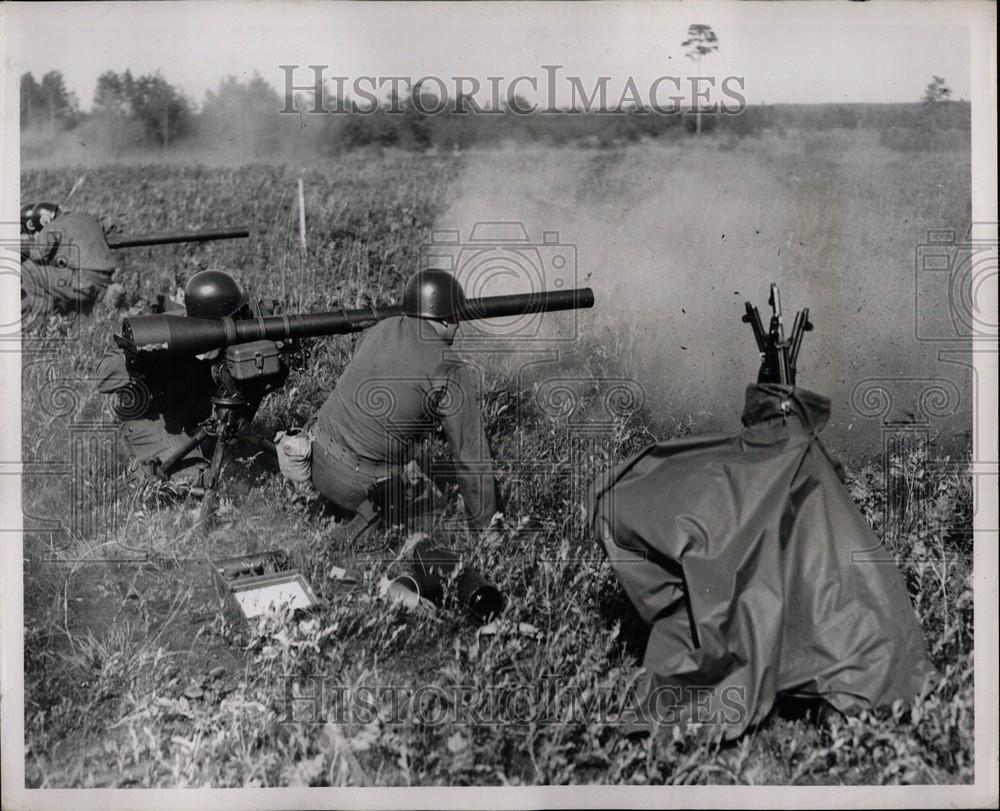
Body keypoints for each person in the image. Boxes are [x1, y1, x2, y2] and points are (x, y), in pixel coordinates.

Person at [307, 269, 498, 533]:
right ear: (444, 319)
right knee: (445, 525)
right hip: (359, 486)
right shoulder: (449, 368)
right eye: (457, 317)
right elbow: (472, 459)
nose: (459, 325)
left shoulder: (380, 328)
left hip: (317, 462)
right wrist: (487, 532)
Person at [95, 269, 250, 482]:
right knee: (196, 480)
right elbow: (103, 376)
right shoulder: (169, 333)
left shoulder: (222, 335)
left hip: (189, 417)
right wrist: (139, 358)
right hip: (151, 422)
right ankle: (135, 468)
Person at [20, 205, 121, 322]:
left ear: (45, 221)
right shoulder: (88, 217)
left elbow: (37, 255)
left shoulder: (53, 226)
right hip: (105, 280)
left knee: (28, 269)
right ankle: (102, 300)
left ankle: (44, 319)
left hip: (84, 282)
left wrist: (34, 241)